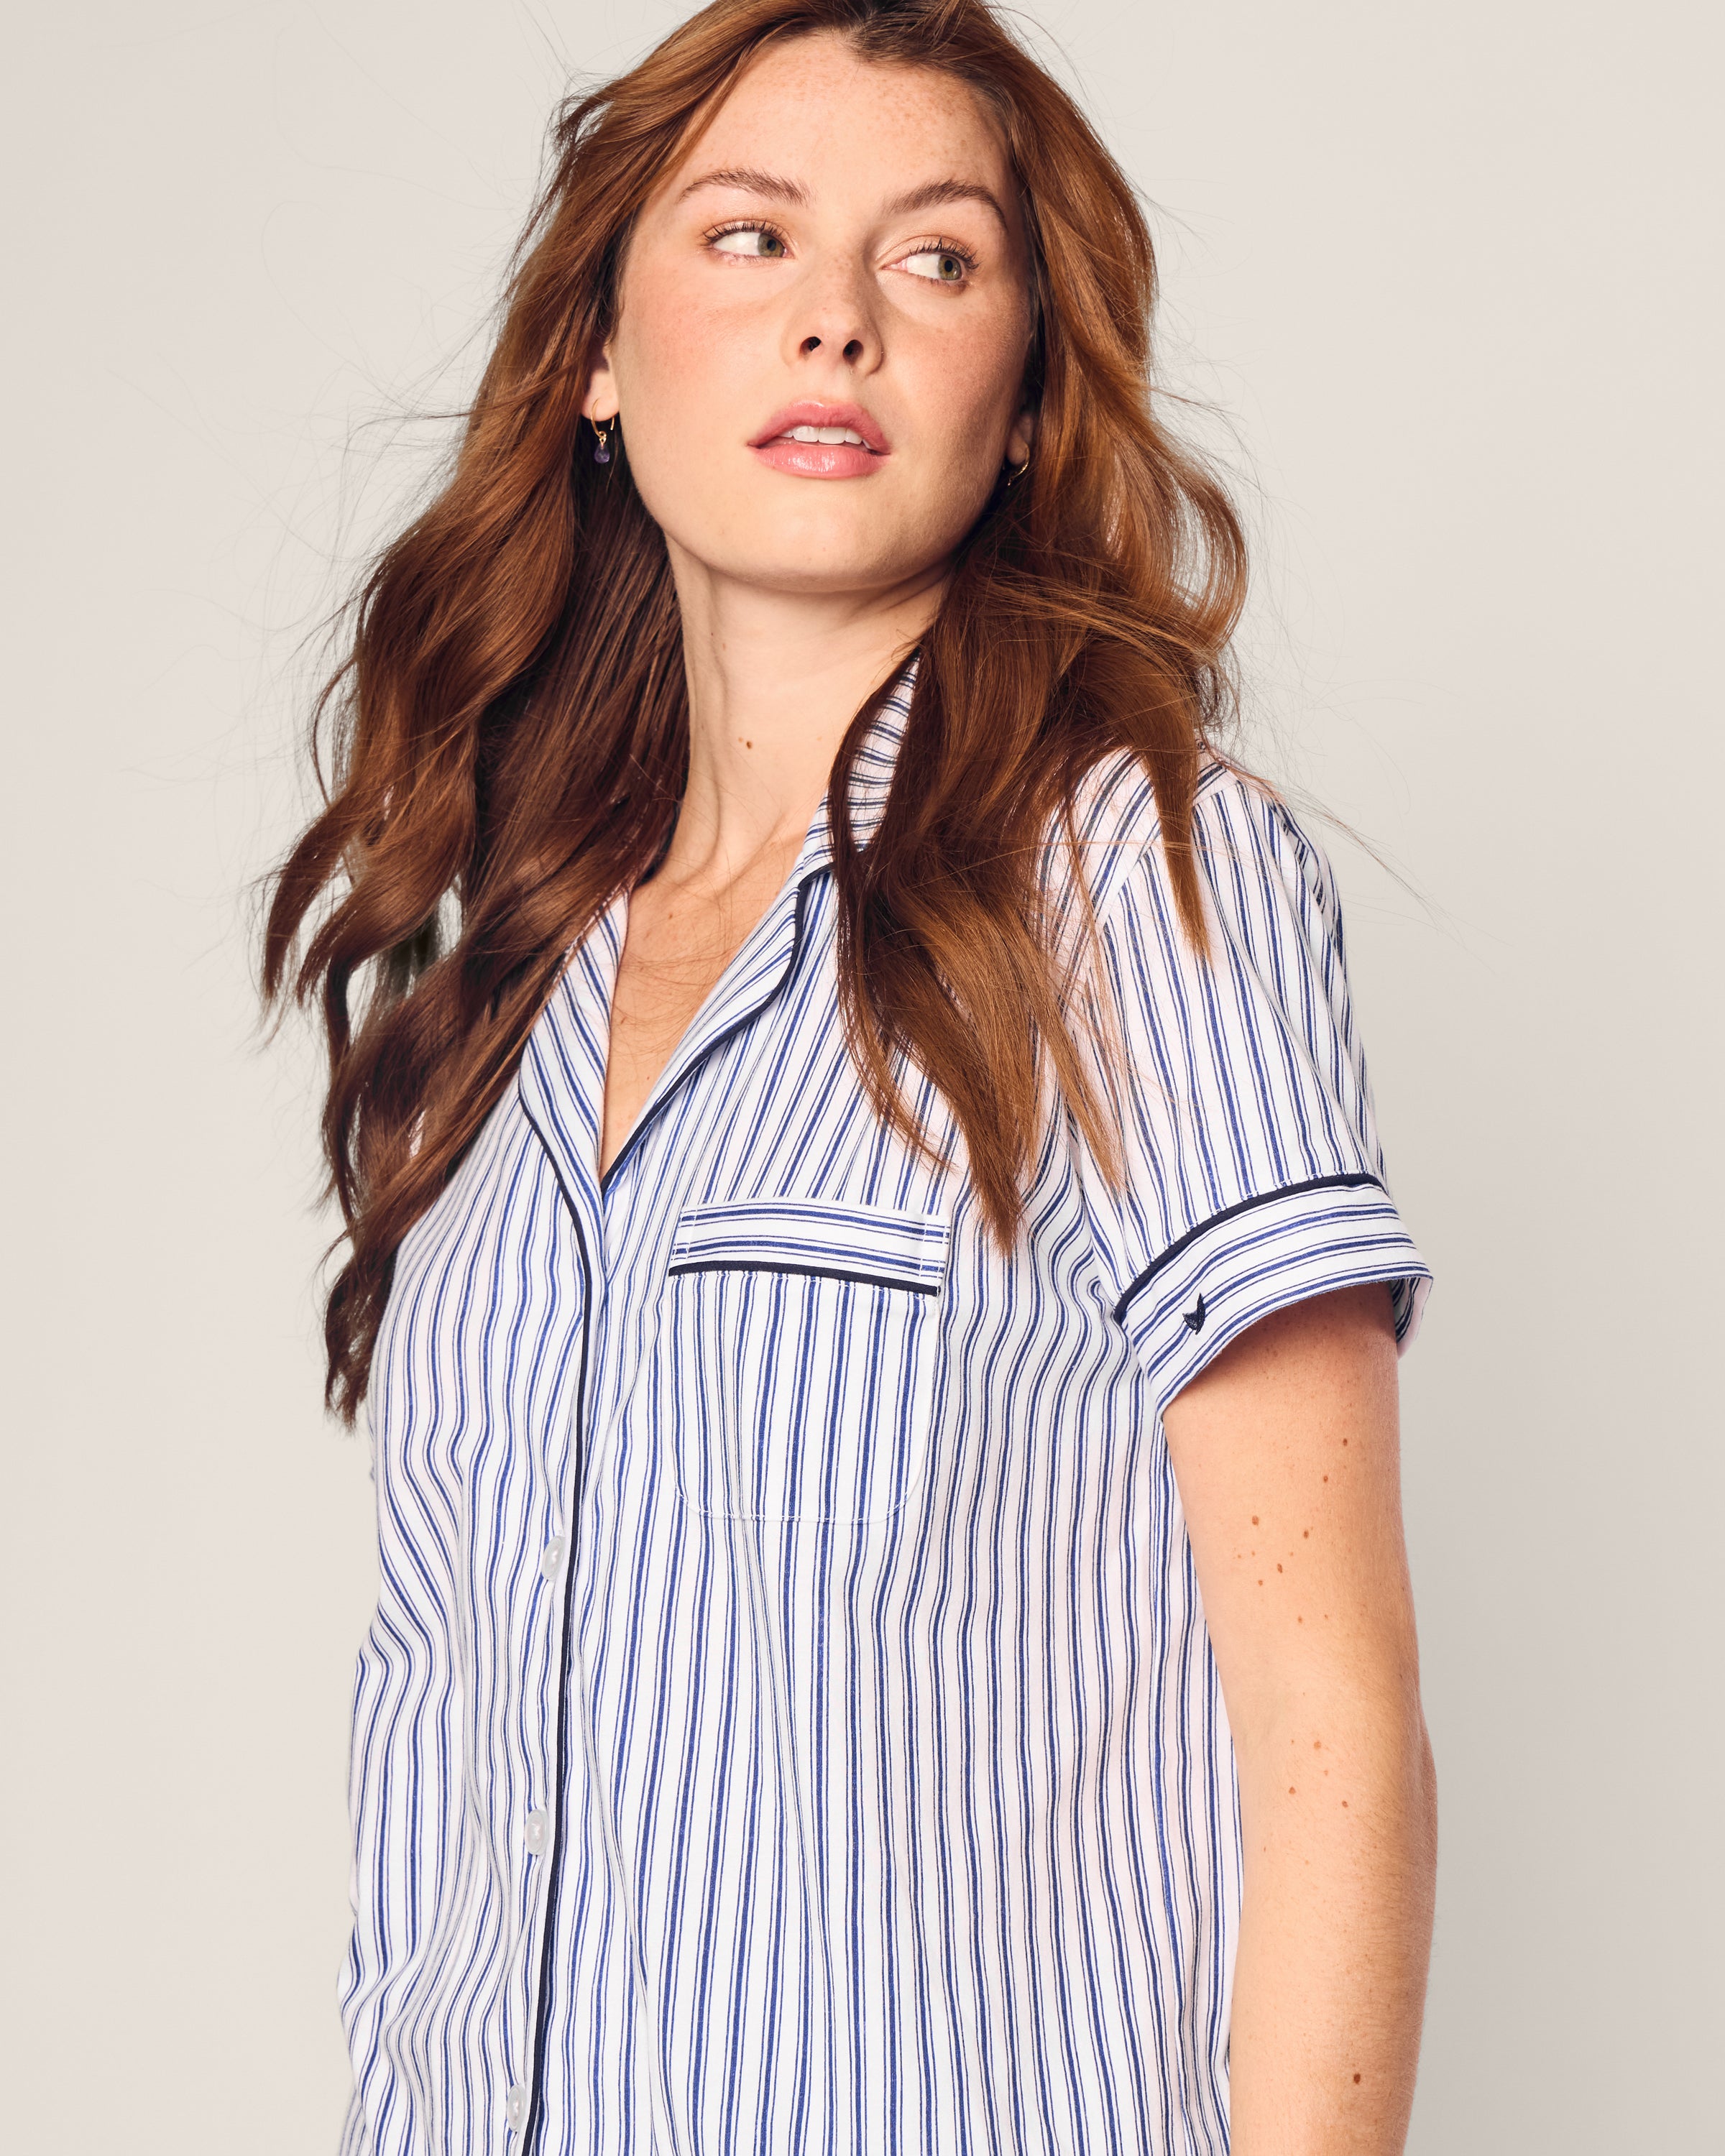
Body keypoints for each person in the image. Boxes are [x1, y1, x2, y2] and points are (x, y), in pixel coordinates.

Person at [263, 3, 1438, 2150]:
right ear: (599, 362)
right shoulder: (513, 984)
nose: (837, 326)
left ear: (1017, 407)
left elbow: (1332, 1725)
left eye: (935, 260)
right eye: (748, 238)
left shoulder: (1133, 888)